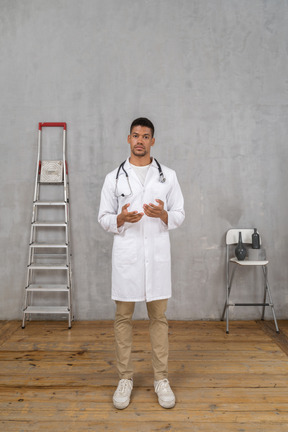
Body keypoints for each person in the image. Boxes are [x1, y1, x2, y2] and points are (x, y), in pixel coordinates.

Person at [98, 117, 185, 410]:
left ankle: (161, 378)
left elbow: (180, 213)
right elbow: (104, 217)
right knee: (123, 319)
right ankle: (125, 378)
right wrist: (120, 219)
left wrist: (163, 215)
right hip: (127, 259)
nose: (140, 141)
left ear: (152, 141)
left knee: (158, 319)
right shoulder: (114, 177)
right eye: (135, 135)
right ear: (128, 139)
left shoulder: (168, 176)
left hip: (157, 258)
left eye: (145, 136)